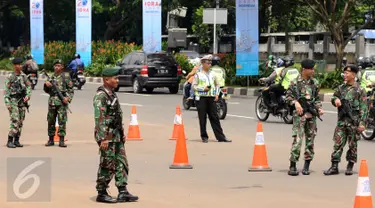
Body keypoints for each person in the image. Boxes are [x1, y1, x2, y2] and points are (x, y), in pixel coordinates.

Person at [93, 67, 139, 203]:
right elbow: (100, 118)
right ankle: (101, 192)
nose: (117, 80)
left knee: (121, 162)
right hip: (107, 136)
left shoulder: (111, 94)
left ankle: (123, 191)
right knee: (107, 164)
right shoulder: (101, 96)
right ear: (106, 80)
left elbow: (116, 116)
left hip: (116, 135)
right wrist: (104, 138)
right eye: (115, 78)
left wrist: (122, 133)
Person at [323, 65, 368, 176]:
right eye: (344, 72)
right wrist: (336, 100)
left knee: (352, 145)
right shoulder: (340, 88)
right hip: (342, 122)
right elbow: (334, 97)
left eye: (347, 73)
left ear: (353, 74)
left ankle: (350, 165)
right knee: (337, 143)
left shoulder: (360, 90)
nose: (345, 75)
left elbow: (364, 108)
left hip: (354, 122)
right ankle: (334, 166)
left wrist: (362, 123)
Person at [285, 59, 324, 176]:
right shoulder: (295, 82)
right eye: (310, 69)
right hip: (300, 116)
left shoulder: (315, 83)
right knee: (297, 140)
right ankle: (293, 165)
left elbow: (316, 99)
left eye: (313, 69)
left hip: (311, 115)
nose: (313, 71)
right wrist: (295, 103)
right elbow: (288, 97)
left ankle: (307, 165)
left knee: (310, 141)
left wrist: (319, 108)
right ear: (304, 69)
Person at [192, 55, 231, 143]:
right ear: (202, 63)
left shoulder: (213, 74)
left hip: (211, 98)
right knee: (202, 118)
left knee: (215, 117)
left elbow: (217, 84)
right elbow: (193, 86)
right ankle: (204, 136)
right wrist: (202, 89)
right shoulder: (198, 75)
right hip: (201, 98)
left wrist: (217, 94)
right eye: (207, 62)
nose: (209, 64)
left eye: (210, 62)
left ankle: (221, 137)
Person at [44, 59, 74, 148]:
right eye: (55, 65)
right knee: (50, 121)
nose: (57, 67)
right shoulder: (51, 77)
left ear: (62, 67)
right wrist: (46, 85)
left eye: (59, 65)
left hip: (62, 103)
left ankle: (61, 140)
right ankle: (50, 139)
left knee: (62, 121)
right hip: (52, 102)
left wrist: (67, 98)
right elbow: (46, 91)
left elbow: (71, 90)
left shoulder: (66, 77)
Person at [4, 57, 31, 148]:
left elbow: (28, 86)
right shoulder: (10, 77)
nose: (19, 66)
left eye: (20, 64)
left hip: (22, 101)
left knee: (21, 121)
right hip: (13, 101)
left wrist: (28, 95)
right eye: (17, 65)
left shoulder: (24, 76)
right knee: (15, 120)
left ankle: (16, 140)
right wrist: (7, 103)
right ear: (14, 66)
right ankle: (10, 140)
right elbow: (6, 91)